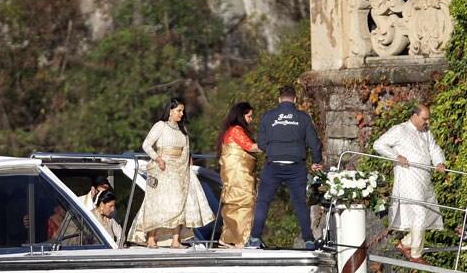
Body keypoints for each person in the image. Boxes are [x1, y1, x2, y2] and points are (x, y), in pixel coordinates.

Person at [128, 98, 215, 248]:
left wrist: (188, 162)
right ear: (170, 111)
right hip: (163, 168)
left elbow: (186, 148)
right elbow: (146, 145)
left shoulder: (183, 129)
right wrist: (158, 159)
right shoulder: (160, 126)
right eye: (178, 110)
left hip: (180, 169)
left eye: (182, 111)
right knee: (158, 203)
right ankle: (151, 238)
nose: (181, 114)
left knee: (181, 203)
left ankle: (176, 240)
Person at [246, 86, 323, 250]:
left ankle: (254, 239)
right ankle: (309, 241)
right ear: (295, 100)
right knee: (300, 203)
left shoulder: (267, 117)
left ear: (279, 100)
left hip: (273, 165)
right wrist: (317, 161)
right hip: (296, 166)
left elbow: (261, 144)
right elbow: (314, 143)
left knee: (263, 202)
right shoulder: (303, 117)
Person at [372, 103, 446, 264]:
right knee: (419, 213)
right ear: (414, 115)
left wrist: (439, 162)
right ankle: (416, 254)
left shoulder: (426, 132)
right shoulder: (400, 130)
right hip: (408, 178)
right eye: (424, 119)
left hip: (425, 179)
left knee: (425, 212)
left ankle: (405, 244)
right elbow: (378, 144)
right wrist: (395, 156)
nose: (427, 122)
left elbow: (434, 148)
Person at [216, 102, 262, 248]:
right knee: (244, 202)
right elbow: (251, 147)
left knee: (233, 205)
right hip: (239, 175)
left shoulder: (230, 130)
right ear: (240, 116)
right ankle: (241, 239)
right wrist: (272, 144)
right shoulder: (236, 130)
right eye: (249, 116)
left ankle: (228, 237)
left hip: (235, 175)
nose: (251, 120)